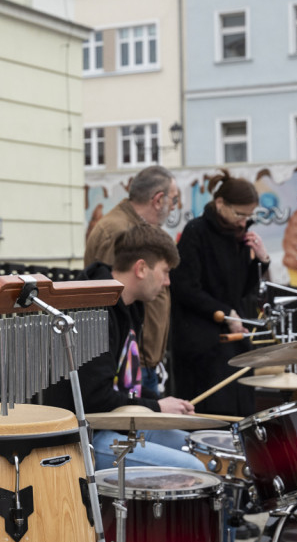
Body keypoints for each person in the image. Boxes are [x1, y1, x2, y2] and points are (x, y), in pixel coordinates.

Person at [44, 224, 203, 472]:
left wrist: (162, 402)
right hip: (85, 438)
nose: (167, 282)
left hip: (116, 426)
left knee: (200, 449)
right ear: (141, 268)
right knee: (192, 468)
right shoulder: (93, 310)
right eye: (165, 271)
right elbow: (95, 398)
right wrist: (158, 407)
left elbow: (122, 384)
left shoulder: (129, 306)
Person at [169, 174, 268, 418]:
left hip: (235, 338)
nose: (244, 222)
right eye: (239, 214)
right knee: (213, 415)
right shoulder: (196, 232)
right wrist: (224, 314)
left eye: (249, 216)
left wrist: (262, 261)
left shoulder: (239, 236)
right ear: (220, 203)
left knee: (241, 414)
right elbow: (185, 288)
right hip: (203, 345)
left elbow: (243, 290)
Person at [85, 166, 180, 394]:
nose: (175, 207)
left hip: (143, 363)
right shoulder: (117, 230)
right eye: (174, 200)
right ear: (158, 200)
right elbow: (113, 301)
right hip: (128, 366)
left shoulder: (137, 228)